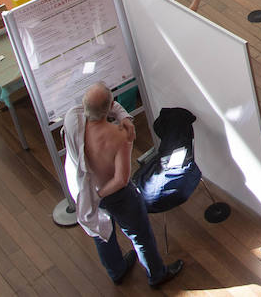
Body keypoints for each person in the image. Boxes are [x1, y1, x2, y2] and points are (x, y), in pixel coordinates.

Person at [64, 83, 183, 287]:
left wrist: (94, 197)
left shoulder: (71, 120)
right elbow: (121, 179)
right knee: (140, 235)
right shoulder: (118, 136)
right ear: (110, 105)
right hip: (115, 195)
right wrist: (100, 195)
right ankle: (156, 274)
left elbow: (104, 107)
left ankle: (116, 270)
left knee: (102, 235)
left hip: (89, 191)